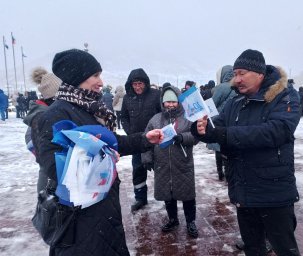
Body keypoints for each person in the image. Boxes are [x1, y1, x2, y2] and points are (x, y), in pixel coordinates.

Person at [36, 49, 163, 256]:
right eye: (95, 75)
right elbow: (54, 167)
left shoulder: (87, 108)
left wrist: (144, 139)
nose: (101, 81)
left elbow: (111, 142)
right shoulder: (56, 114)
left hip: (103, 208)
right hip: (80, 220)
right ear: (77, 77)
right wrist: (102, 157)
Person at [191, 49, 301, 256]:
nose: (236, 79)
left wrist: (226, 135)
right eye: (235, 74)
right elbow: (217, 127)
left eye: (242, 73)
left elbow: (277, 131)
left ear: (259, 73)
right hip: (243, 189)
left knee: (285, 249)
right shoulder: (235, 101)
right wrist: (201, 128)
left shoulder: (284, 96)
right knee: (253, 248)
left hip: (273, 191)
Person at [142, 85, 199, 238]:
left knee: (187, 194)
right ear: (162, 102)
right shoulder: (155, 119)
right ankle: (173, 219)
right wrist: (147, 157)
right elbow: (146, 140)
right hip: (162, 164)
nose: (170, 104)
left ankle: (190, 221)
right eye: (167, 102)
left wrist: (182, 138)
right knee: (168, 194)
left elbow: (196, 136)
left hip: (183, 163)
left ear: (178, 102)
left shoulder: (188, 118)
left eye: (173, 101)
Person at [121, 68, 161, 212]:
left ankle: (166, 196)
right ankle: (140, 198)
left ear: (145, 83)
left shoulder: (156, 95)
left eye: (140, 84)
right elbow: (123, 117)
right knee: (138, 169)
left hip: (156, 140)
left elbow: (163, 114)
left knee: (161, 169)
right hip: (137, 141)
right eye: (135, 84)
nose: (137, 87)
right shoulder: (127, 98)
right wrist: (129, 131)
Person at [23, 67, 62, 192]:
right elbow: (29, 138)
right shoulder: (42, 113)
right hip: (49, 169)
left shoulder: (48, 109)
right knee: (48, 203)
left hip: (56, 165)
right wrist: (46, 155)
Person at [208, 65, 235, 181]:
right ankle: (231, 172)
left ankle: (220, 172)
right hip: (234, 122)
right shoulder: (238, 86)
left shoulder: (220, 88)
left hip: (220, 122)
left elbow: (211, 105)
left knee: (219, 149)